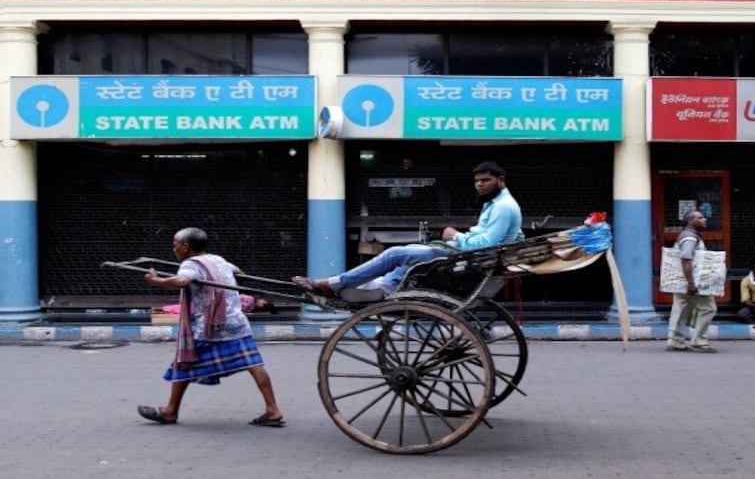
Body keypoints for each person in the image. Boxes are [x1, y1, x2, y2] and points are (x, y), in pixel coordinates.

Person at [294, 160, 524, 297]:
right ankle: (383, 286)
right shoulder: (496, 204)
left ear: (500, 180)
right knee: (412, 253)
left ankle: (336, 283)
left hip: (470, 259)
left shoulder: (503, 207)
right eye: (477, 181)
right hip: (467, 255)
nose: (480, 185)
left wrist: (456, 236)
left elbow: (487, 244)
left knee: (396, 254)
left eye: (486, 180)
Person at [136, 227, 285, 427]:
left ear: (186, 247)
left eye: (175, 245)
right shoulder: (219, 260)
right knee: (254, 364)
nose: (174, 250)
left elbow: (182, 281)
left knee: (184, 361)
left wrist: (156, 280)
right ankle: (273, 409)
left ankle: (170, 411)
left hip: (208, 327)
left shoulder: (190, 264)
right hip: (236, 322)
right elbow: (241, 274)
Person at [666, 209, 718, 353]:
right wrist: (691, 283)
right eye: (700, 218)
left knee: (681, 308)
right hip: (690, 281)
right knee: (709, 308)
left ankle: (675, 340)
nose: (704, 219)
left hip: (680, 281)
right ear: (691, 221)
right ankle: (698, 341)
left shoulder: (687, 235)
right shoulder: (690, 238)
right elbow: (686, 260)